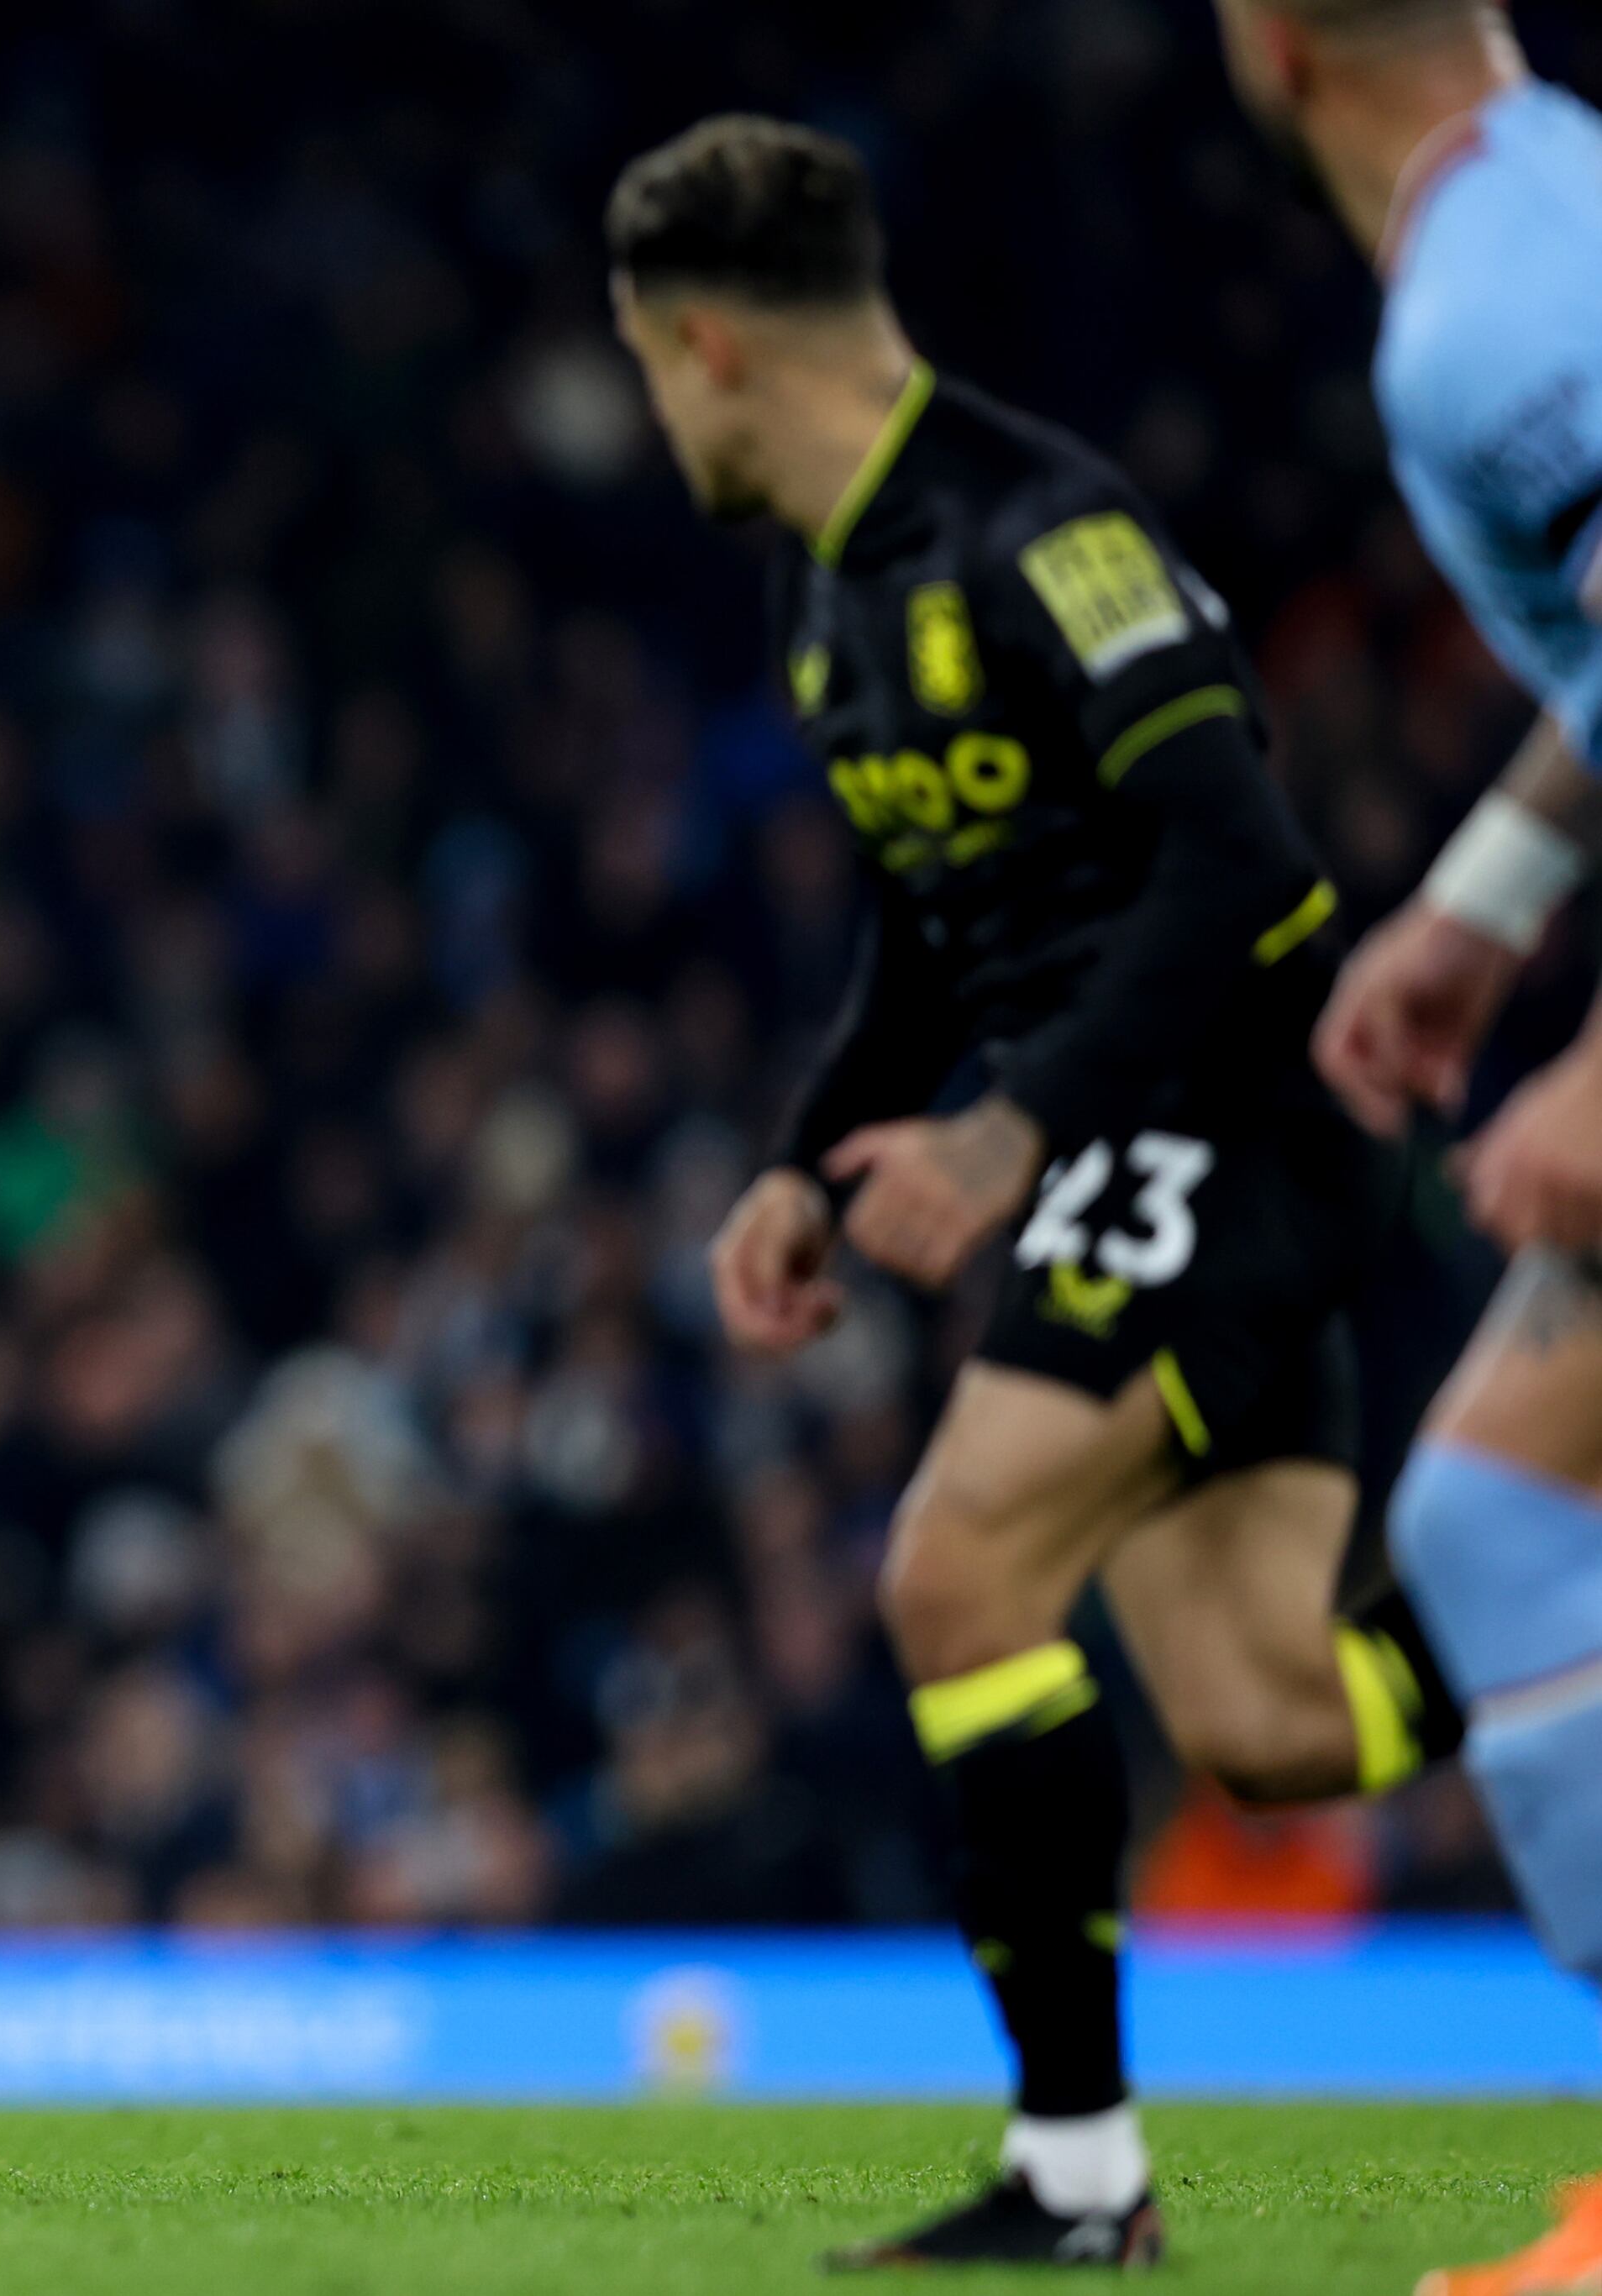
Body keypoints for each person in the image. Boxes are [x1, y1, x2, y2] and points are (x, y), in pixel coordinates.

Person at [607, 120, 1461, 2268]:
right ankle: (1550, 1608)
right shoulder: (826, 584)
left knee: (951, 1568)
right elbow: (931, 931)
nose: (650, 412)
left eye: (641, 365)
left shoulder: (1033, 522)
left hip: (1231, 1115)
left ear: (703, 341)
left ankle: (1080, 2178)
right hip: (1127, 1139)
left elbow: (1249, 859)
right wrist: (811, 1156)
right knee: (1273, 1720)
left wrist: (1013, 1126)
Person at [1221, 8, 1602, 2288]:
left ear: (1270, 49)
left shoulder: (1494, 309)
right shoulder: (1564, 196)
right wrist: (1485, 908)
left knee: (1506, 1504)